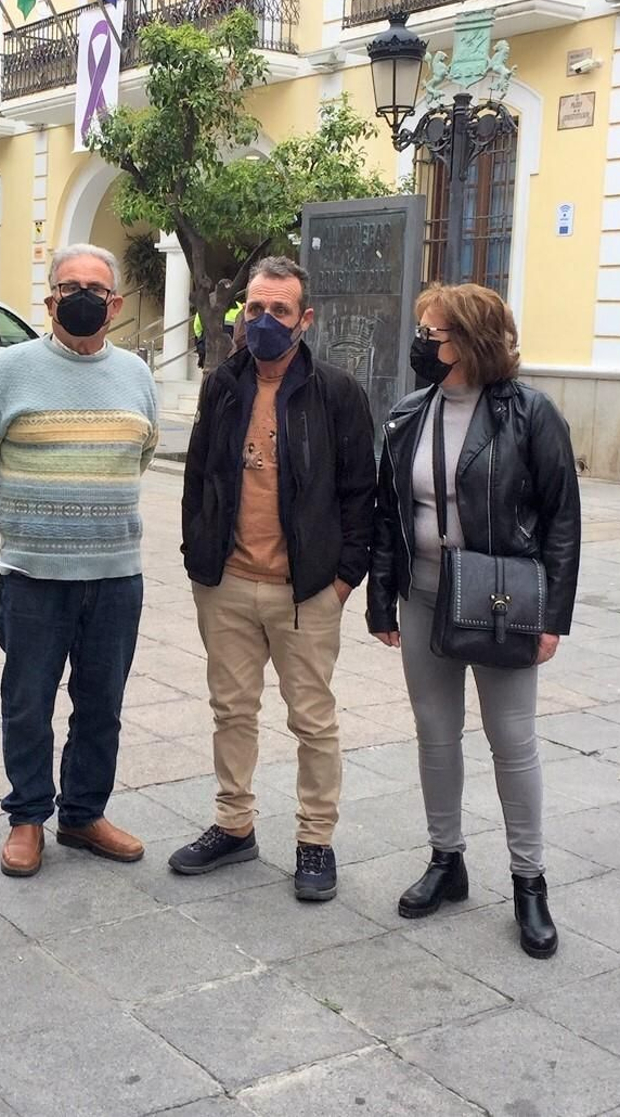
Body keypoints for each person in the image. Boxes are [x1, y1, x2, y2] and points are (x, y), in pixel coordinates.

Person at [367, 283, 581, 959]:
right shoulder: (408, 414)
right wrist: (382, 598)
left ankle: (529, 881)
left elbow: (563, 521)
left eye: (433, 332)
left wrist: (551, 617)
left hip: (502, 602)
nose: (422, 342)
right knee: (435, 736)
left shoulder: (532, 414)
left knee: (511, 742)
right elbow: (387, 514)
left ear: (470, 340)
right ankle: (446, 860)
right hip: (424, 595)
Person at [169, 257, 374, 902]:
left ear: (304, 319)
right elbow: (198, 476)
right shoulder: (222, 385)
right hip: (227, 584)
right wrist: (197, 559)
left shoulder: (337, 393)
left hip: (303, 593)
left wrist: (341, 580)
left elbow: (360, 493)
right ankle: (234, 825)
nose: (263, 321)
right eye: (253, 310)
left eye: (278, 311)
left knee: (312, 720)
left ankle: (316, 841)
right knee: (231, 711)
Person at [0, 244, 161, 878]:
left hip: (115, 577)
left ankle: (82, 814)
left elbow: (142, 454)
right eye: (69, 286)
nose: (82, 297)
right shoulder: (10, 370)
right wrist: (17, 523)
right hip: (32, 576)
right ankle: (27, 818)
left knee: (102, 702)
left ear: (115, 302)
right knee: (27, 701)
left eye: (95, 288)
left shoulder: (136, 375)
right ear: (49, 299)